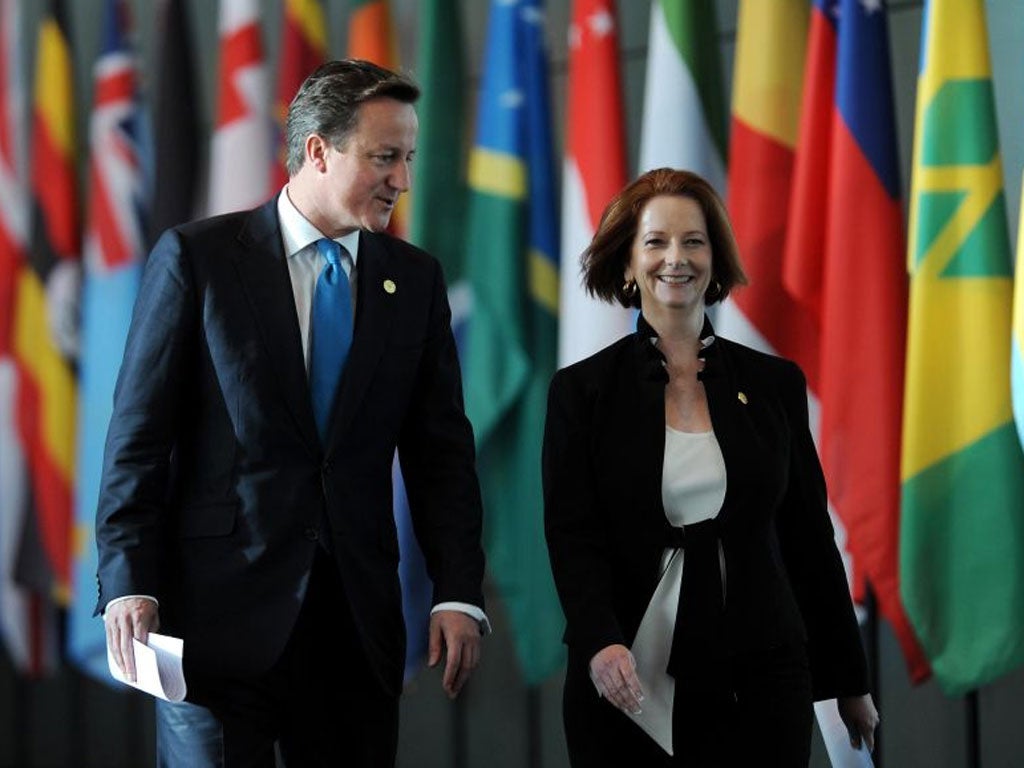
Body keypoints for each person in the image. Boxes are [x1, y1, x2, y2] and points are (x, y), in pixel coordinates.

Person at [96, 59, 487, 767]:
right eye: (384, 157)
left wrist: (457, 592)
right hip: (213, 626)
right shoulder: (198, 260)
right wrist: (130, 583)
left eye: (409, 158)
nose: (403, 179)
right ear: (318, 151)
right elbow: (137, 441)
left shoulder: (416, 282)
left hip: (355, 627)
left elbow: (442, 457)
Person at [542, 168, 878, 767]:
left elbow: (807, 538)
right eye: (657, 241)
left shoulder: (774, 385)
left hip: (763, 677)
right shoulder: (582, 392)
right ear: (626, 265)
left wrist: (849, 679)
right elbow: (573, 537)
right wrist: (599, 639)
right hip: (627, 678)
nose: (677, 258)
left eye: (694, 241)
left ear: (716, 260)